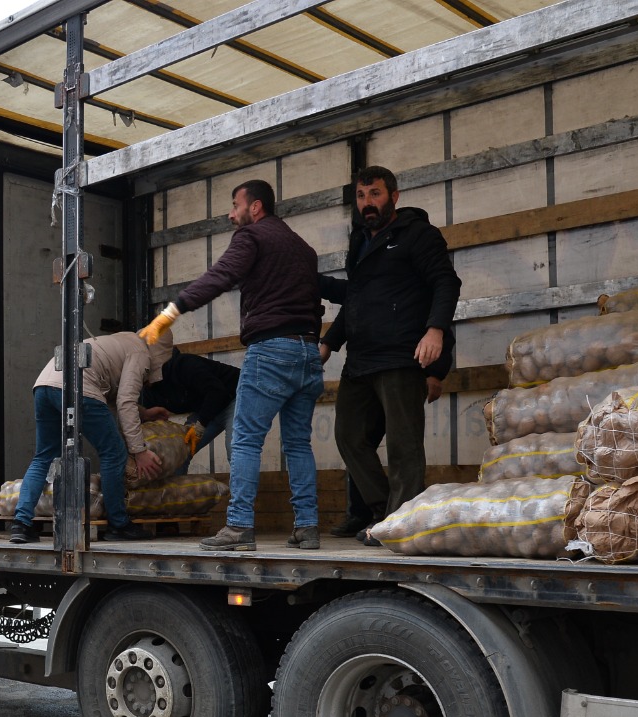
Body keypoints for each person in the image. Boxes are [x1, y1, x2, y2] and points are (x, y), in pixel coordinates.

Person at [139, 178, 323, 552]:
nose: (230, 214)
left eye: (235, 206)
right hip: (308, 353)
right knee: (299, 445)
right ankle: (308, 527)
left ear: (255, 208)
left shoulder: (252, 237)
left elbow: (221, 275)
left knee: (245, 442)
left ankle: (239, 526)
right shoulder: (303, 248)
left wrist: (172, 311)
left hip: (270, 350)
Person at [317, 165, 461, 545]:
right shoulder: (359, 241)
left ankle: (401, 523)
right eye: (361, 197)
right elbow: (355, 299)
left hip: (401, 356)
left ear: (394, 197)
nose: (367, 203)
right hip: (360, 360)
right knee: (349, 436)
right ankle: (385, 511)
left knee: (403, 446)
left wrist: (435, 333)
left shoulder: (419, 235)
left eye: (375, 195)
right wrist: (329, 342)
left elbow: (445, 283)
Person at [7, 328, 173, 545]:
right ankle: (119, 524)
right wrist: (139, 451)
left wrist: (145, 413)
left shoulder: (119, 341)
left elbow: (112, 397)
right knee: (114, 453)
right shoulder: (141, 351)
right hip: (78, 387)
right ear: (160, 351)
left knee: (44, 456)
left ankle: (21, 524)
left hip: (45, 386)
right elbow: (125, 402)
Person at [138, 348, 241, 475]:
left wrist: (200, 426)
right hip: (206, 407)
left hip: (235, 397)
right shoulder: (148, 390)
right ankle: (178, 493)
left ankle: (243, 495)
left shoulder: (184, 365)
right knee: (180, 452)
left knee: (236, 450)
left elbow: (217, 392)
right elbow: (136, 414)